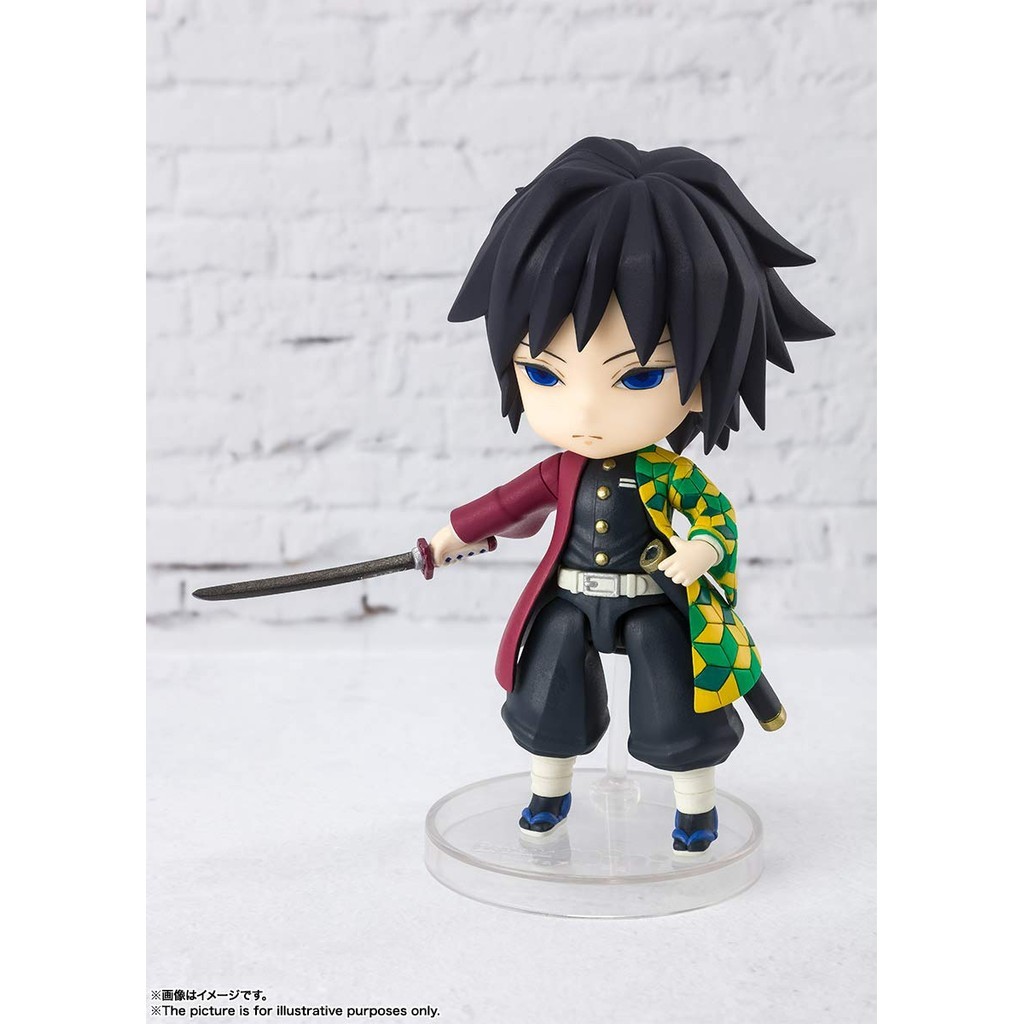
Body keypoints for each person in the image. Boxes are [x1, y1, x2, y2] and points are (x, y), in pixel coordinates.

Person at [428, 138, 832, 853]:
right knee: (547, 696)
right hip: (569, 601)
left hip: (650, 602)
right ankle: (548, 793)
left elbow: (714, 517)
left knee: (678, 706)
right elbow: (505, 505)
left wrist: (701, 549)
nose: (585, 412)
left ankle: (695, 808)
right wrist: (448, 539)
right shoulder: (561, 472)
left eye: (639, 376)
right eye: (544, 373)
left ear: (704, 380)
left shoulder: (669, 475)